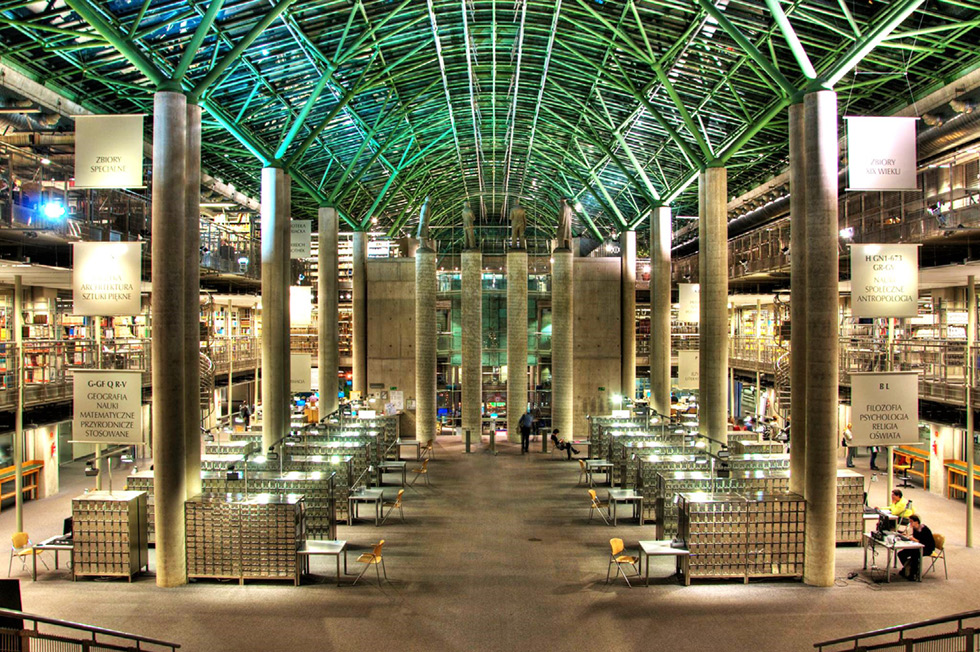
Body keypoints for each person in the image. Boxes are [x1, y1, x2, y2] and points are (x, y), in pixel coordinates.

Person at [898, 514, 935, 580]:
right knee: (901, 554)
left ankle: (913, 573)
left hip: (927, 548)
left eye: (911, 522)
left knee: (914, 554)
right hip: (916, 546)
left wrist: (915, 540)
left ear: (917, 522)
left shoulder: (924, 530)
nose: (910, 523)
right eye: (910, 522)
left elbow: (925, 543)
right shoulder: (914, 529)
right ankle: (908, 568)